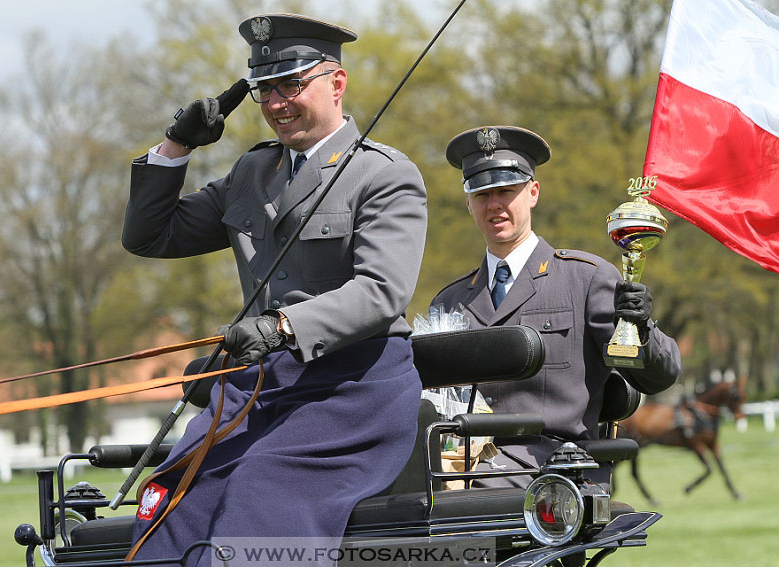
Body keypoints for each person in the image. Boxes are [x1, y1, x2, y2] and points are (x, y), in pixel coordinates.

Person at [121, 13, 428, 566]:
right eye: (265, 89)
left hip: (348, 392)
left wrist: (284, 326)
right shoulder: (252, 173)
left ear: (337, 83)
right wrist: (175, 147)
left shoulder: (383, 175)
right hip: (254, 392)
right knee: (169, 511)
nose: (277, 102)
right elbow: (149, 237)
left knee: (257, 509)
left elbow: (382, 291)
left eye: (292, 84)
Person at [431, 125, 681, 489]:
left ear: (533, 192)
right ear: (467, 202)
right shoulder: (450, 302)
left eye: (506, 190)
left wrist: (642, 329)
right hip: (463, 464)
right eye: (482, 193)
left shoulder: (585, 280)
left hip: (557, 468)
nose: (494, 204)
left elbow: (658, 377)